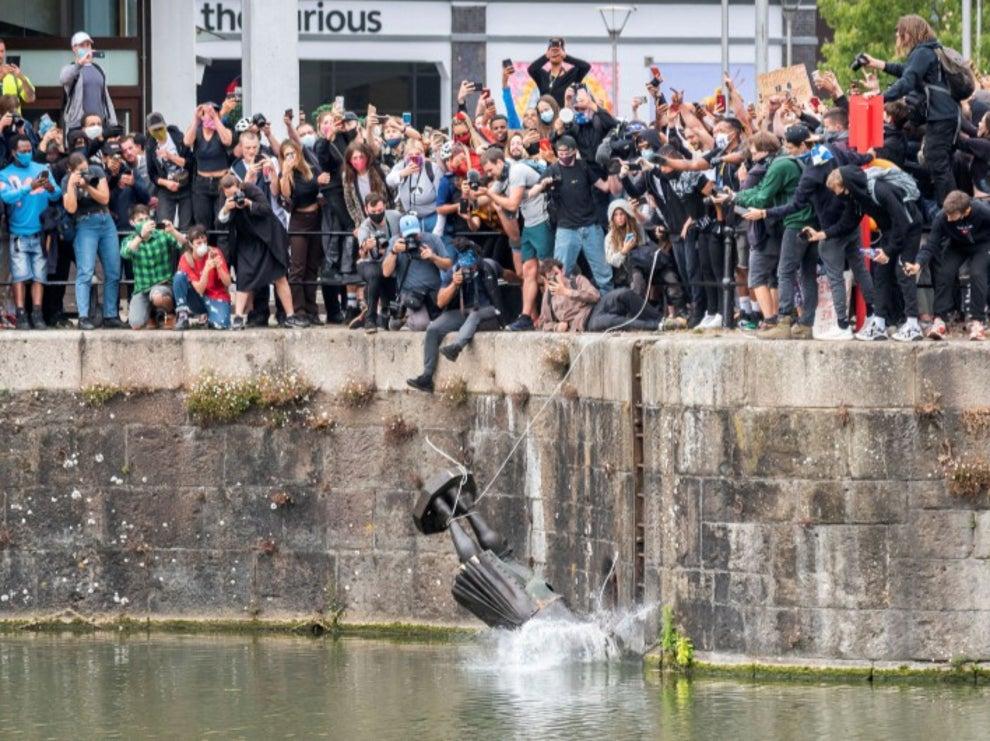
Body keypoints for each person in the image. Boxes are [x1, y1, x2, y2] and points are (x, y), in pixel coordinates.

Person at [811, 166, 924, 342]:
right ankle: (878, 324)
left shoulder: (879, 190)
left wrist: (888, 251)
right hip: (889, 230)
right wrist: (823, 234)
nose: (838, 196)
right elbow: (848, 222)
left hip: (910, 228)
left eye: (838, 191)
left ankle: (912, 324)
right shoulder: (857, 197)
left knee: (904, 271)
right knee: (880, 274)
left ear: (847, 186)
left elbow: (902, 222)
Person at [860, 14, 961, 206]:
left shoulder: (923, 52)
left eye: (899, 34)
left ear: (908, 33)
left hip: (941, 116)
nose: (898, 38)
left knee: (937, 164)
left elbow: (907, 80)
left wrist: (880, 98)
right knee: (938, 163)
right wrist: (878, 64)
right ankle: (951, 211)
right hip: (945, 114)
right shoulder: (930, 50)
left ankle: (952, 214)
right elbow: (906, 70)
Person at [729, 127, 815, 333]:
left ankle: (780, 321)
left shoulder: (780, 165)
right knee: (806, 274)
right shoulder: (791, 162)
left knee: (784, 272)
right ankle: (806, 323)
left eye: (754, 152)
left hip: (792, 223)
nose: (753, 157)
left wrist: (736, 196)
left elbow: (762, 196)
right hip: (806, 221)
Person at [406, 238, 503, 393]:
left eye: (471, 265)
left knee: (475, 316)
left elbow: (508, 275)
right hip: (465, 311)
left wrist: (518, 280)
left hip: (488, 312)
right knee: (433, 328)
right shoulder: (455, 270)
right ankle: (427, 376)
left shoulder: (488, 265)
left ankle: (456, 347)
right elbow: (440, 302)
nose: (468, 268)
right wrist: (455, 284)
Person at [217, 174, 308, 329]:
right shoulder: (225, 198)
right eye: (228, 195)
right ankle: (238, 317)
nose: (232, 197)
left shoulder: (251, 189)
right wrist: (226, 209)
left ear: (239, 186)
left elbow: (266, 209)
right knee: (243, 279)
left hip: (268, 239)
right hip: (247, 241)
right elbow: (220, 223)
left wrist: (248, 203)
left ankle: (290, 316)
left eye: (234, 193)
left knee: (280, 276)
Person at [530, 136, 617, 295]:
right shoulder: (553, 169)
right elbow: (532, 192)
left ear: (574, 151)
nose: (563, 155)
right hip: (566, 229)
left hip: (591, 227)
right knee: (559, 274)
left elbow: (605, 187)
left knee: (604, 274)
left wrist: (612, 170)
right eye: (560, 152)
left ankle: (610, 305)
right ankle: (559, 310)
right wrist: (543, 184)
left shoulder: (583, 166)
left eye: (566, 152)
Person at [480, 147, 552, 331]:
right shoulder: (502, 176)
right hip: (529, 224)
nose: (489, 175)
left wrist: (489, 194)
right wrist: (472, 193)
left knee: (547, 271)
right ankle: (526, 316)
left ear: (499, 162)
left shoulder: (516, 171)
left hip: (542, 221)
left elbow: (512, 205)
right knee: (528, 271)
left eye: (490, 170)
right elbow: (483, 200)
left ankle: (551, 314)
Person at [904, 191, 990, 340]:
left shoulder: (981, 211)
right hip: (957, 245)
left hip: (982, 245)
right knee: (944, 273)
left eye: (952, 216)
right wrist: (918, 264)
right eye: (947, 215)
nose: (949, 219)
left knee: (977, 273)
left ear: (966, 211)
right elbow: (931, 244)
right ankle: (939, 319)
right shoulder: (942, 217)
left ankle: (978, 322)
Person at [0, 135, 62, 329]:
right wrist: (30, 187)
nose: (27, 153)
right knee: (19, 276)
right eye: (23, 151)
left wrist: (50, 188)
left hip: (41, 234)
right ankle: (21, 315)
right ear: (13, 152)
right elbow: (7, 196)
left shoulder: (42, 169)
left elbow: (57, 194)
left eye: (29, 150)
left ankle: (37, 314)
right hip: (18, 233)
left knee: (39, 276)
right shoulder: (4, 174)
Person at [61, 150, 123, 329]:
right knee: (85, 271)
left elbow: (104, 198)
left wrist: (87, 185)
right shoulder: (66, 181)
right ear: (70, 170)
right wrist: (73, 185)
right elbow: (71, 209)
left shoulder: (96, 171)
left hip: (105, 220)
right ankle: (83, 317)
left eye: (85, 168)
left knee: (113, 270)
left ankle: (110, 315)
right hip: (84, 223)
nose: (85, 172)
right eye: (80, 170)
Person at [272, 140, 323, 323]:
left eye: (293, 153)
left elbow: (318, 187)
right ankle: (299, 310)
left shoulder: (309, 169)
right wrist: (285, 172)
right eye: (287, 155)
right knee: (297, 267)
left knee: (312, 267)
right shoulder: (285, 174)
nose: (291, 157)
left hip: (316, 218)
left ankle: (312, 310)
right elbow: (286, 195)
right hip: (299, 221)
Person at [536, 258, 662, 332]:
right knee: (614, 321)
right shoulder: (548, 299)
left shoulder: (577, 281)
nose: (555, 278)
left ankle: (660, 318)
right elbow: (542, 323)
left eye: (556, 274)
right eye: (550, 277)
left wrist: (568, 292)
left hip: (596, 307)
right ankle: (658, 326)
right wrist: (557, 326)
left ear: (562, 271)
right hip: (585, 322)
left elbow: (595, 296)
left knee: (624, 293)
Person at [381, 213, 454, 331]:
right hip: (411, 294)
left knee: (443, 325)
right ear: (401, 234)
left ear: (419, 230)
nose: (412, 239)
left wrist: (433, 257)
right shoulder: (395, 242)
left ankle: (410, 317)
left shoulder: (432, 239)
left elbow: (447, 265)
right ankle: (404, 317)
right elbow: (386, 272)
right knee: (421, 325)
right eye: (408, 236)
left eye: (414, 234)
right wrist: (394, 252)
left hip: (432, 292)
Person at [119, 205, 185, 329]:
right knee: (135, 323)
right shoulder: (130, 239)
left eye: (146, 219)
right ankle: (152, 315)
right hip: (142, 289)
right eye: (140, 220)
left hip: (163, 285)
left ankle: (170, 313)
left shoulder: (161, 233)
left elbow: (182, 244)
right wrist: (141, 237)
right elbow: (125, 253)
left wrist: (173, 231)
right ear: (132, 223)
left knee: (157, 297)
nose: (144, 223)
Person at [173, 224, 232, 330]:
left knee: (221, 325)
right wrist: (207, 268)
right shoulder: (186, 258)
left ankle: (210, 317)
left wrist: (219, 267)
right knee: (179, 276)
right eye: (198, 243)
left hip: (217, 296)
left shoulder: (215, 252)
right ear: (191, 244)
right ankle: (182, 315)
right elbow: (200, 289)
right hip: (197, 298)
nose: (202, 245)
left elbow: (228, 283)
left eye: (204, 242)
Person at [355, 193, 400, 333]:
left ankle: (383, 314)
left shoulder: (395, 216)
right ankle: (370, 319)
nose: (377, 214)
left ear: (384, 206)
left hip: (389, 262)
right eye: (373, 212)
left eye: (380, 211)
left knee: (389, 321)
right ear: (366, 209)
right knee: (375, 274)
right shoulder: (365, 227)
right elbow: (361, 253)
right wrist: (366, 246)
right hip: (368, 263)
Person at [184, 103, 232, 230]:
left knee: (222, 221)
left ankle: (222, 250)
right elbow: (187, 142)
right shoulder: (197, 131)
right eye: (206, 114)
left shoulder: (223, 130)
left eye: (213, 113)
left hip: (221, 182)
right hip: (202, 183)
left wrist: (216, 119)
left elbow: (227, 141)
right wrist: (196, 119)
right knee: (202, 222)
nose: (209, 117)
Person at [59, 31, 116, 132]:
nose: (86, 48)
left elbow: (106, 98)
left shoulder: (99, 69)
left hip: (99, 123)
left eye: (88, 45)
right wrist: (80, 63)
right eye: (82, 45)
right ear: (74, 48)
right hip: (79, 125)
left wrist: (112, 121)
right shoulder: (71, 69)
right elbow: (63, 78)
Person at [145, 112, 192, 230]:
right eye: (154, 130)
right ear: (149, 131)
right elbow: (152, 175)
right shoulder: (150, 145)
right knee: (163, 225)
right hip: (166, 189)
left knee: (186, 226)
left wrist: (170, 156)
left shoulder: (178, 137)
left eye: (160, 128)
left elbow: (190, 162)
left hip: (186, 186)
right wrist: (167, 183)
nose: (158, 132)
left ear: (165, 126)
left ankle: (184, 248)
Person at [385, 139, 441, 231]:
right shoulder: (401, 166)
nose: (414, 157)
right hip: (410, 218)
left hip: (431, 217)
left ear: (423, 154)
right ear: (405, 156)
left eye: (418, 154)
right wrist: (403, 173)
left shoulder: (432, 168)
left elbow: (441, 197)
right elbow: (389, 181)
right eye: (410, 155)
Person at [527, 38, 591, 107]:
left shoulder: (571, 75)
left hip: (564, 115)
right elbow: (531, 69)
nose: (555, 52)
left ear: (563, 53)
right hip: (545, 114)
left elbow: (586, 66)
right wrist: (546, 56)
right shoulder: (543, 76)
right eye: (552, 50)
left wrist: (566, 57)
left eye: (558, 50)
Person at [0, 39, 35, 114]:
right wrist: (1, 77)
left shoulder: (12, 74)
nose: (0, 55)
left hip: (14, 123)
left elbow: (31, 98)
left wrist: (22, 78)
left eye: (2, 51)